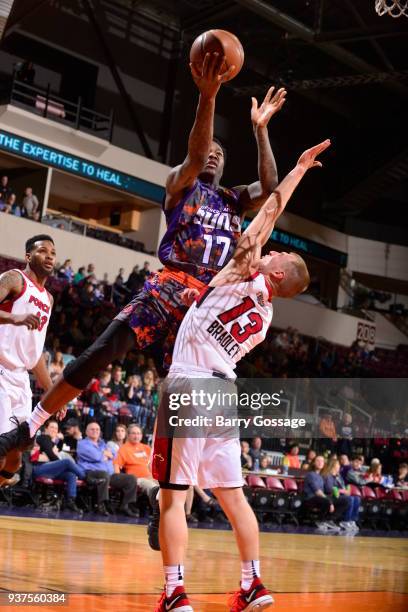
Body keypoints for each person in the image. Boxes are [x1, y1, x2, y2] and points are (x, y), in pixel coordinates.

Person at [0, 58, 287, 462]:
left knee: (178, 399)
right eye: (209, 150)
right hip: (169, 285)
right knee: (99, 352)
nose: (212, 155)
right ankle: (27, 430)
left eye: (219, 154)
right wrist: (208, 96)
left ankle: (164, 498)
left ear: (225, 166)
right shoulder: (180, 186)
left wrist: (260, 130)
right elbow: (194, 154)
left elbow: (272, 188)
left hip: (205, 305)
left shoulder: (234, 201)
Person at [150, 139, 330, 611]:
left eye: (277, 258)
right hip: (223, 395)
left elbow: (270, 210)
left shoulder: (240, 273)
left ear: (274, 275)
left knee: (172, 497)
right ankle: (254, 584)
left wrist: (297, 170)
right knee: (234, 499)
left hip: (189, 384)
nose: (270, 252)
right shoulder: (266, 316)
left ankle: (174, 593)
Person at [0, 235, 56, 486]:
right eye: (43, 251)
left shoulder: (48, 299)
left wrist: (54, 392)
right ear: (28, 256)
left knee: (15, 457)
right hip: (0, 369)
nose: (49, 256)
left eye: (53, 253)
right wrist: (15, 318)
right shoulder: (14, 278)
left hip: (21, 380)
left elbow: (36, 354)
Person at [76, 422, 138, 517]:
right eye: (92, 429)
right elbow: (95, 456)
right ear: (86, 432)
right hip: (90, 473)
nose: (95, 431)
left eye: (97, 429)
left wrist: (106, 454)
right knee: (104, 475)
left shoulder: (102, 443)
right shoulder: (82, 444)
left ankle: (126, 505)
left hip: (110, 474)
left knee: (131, 479)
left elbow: (114, 454)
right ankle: (102, 504)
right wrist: (103, 454)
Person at [32, 420, 84, 512]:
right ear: (45, 429)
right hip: (39, 469)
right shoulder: (43, 438)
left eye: (56, 428)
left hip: (49, 470)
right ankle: (85, 476)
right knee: (67, 462)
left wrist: (57, 461)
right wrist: (61, 464)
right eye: (52, 427)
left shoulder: (52, 442)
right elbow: (51, 455)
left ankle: (70, 501)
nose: (54, 430)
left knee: (70, 475)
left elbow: (52, 455)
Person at [303, 456, 349, 533]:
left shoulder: (322, 475)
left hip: (321, 498)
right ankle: (320, 520)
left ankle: (329, 520)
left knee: (345, 500)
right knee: (326, 500)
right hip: (311, 499)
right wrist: (330, 501)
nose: (320, 462)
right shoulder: (311, 474)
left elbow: (328, 490)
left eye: (322, 461)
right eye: (318, 461)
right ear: (314, 463)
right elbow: (318, 492)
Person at [322, 457, 360, 533]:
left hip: (338, 495)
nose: (339, 466)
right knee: (349, 499)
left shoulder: (338, 476)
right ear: (333, 466)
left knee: (357, 498)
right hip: (330, 496)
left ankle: (352, 520)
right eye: (338, 464)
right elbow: (329, 489)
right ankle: (345, 520)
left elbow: (343, 487)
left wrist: (345, 490)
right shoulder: (328, 475)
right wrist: (342, 491)